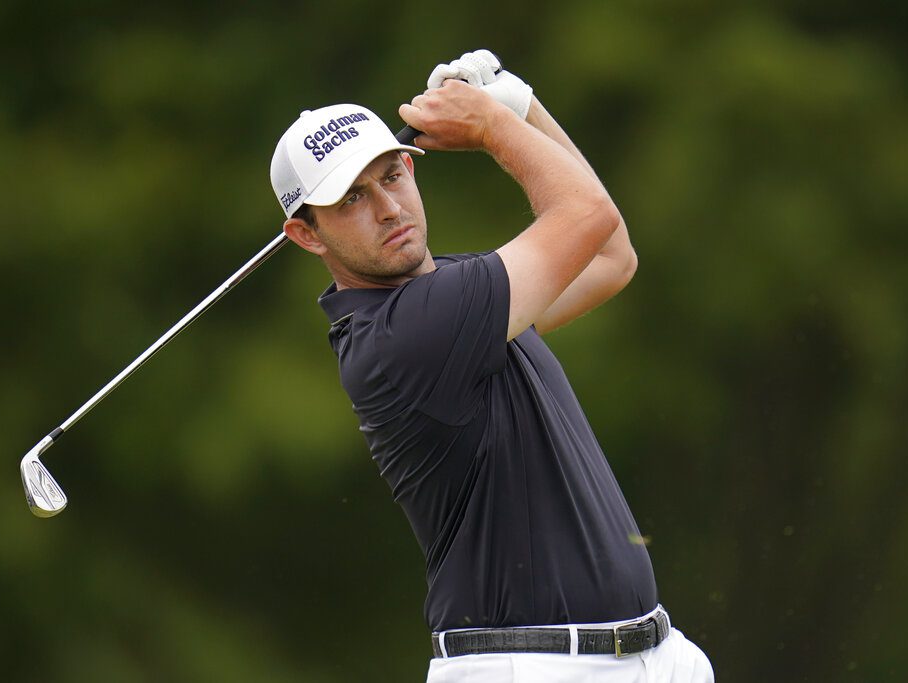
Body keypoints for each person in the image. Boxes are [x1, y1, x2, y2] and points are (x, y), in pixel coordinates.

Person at [269, 50, 713, 683]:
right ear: (308, 235)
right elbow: (588, 216)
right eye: (351, 200)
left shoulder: (455, 292)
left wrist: (521, 107)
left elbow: (611, 256)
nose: (389, 209)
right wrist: (496, 129)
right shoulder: (406, 334)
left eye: (392, 176)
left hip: (650, 652)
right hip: (533, 666)